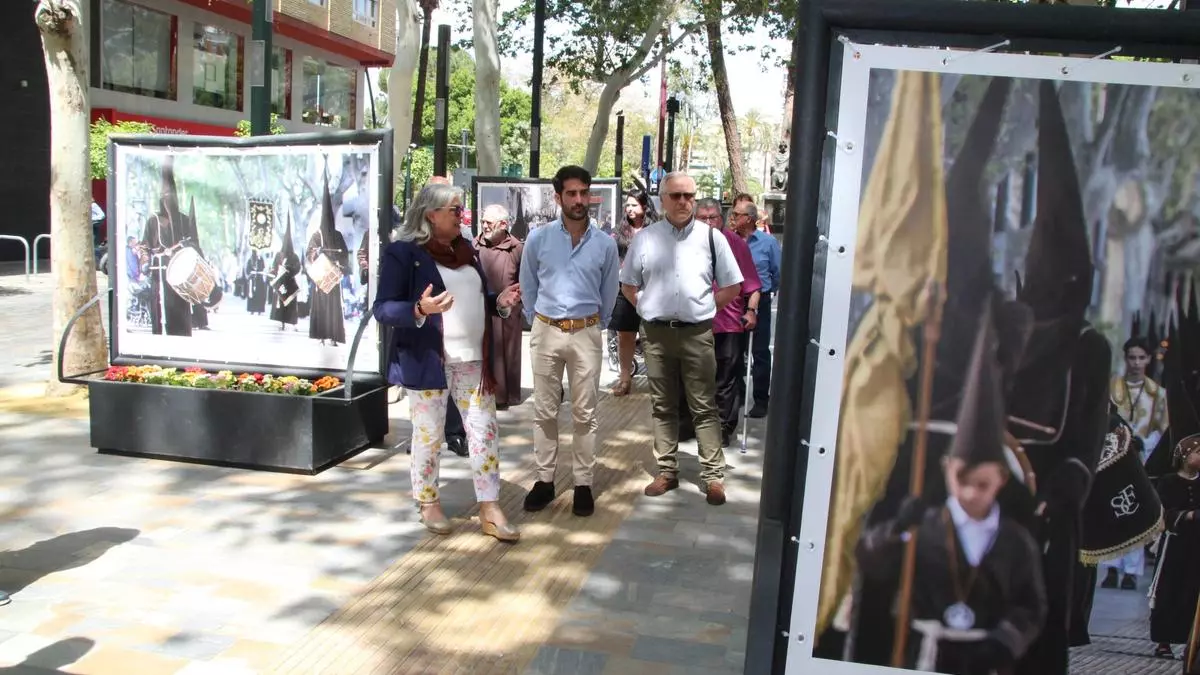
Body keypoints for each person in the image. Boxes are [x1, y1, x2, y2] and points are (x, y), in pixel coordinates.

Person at [855, 313, 1047, 674]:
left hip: (986, 661)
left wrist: (1005, 641)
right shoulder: (922, 528)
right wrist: (896, 529)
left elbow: (1031, 605)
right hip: (924, 657)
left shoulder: (1016, 541)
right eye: (963, 480)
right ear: (946, 470)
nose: (972, 493)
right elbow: (872, 562)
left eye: (984, 484)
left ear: (1002, 478)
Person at [372, 183, 522, 541]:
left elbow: (475, 297)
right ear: (431, 215)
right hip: (428, 361)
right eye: (455, 210)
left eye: (462, 210)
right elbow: (382, 308)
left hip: (472, 360)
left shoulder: (465, 250)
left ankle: (489, 506)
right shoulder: (404, 254)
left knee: (484, 431)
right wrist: (419, 308)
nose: (462, 216)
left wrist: (499, 301)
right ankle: (428, 502)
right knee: (430, 435)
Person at [619, 171, 743, 506]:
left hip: (697, 334)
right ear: (662, 199)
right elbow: (628, 284)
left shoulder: (711, 238)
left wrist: (706, 308)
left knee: (704, 405)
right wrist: (645, 307)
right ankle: (667, 470)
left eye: (689, 195)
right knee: (662, 405)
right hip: (657, 336)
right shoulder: (645, 239)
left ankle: (713, 476)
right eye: (676, 196)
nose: (684, 202)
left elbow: (733, 286)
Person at [519, 165, 620, 518]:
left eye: (584, 193)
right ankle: (545, 480)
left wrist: (596, 325)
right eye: (572, 193)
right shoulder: (538, 239)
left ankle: (582, 484)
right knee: (544, 410)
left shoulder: (605, 244)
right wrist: (537, 321)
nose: (579, 200)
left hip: (587, 332)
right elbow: (528, 285)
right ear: (558, 196)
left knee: (585, 413)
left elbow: (610, 292)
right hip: (546, 330)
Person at [1102, 336, 1170, 589]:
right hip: (1112, 456)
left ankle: (1131, 570)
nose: (1137, 363)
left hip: (1142, 459)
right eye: (1132, 357)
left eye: (1142, 357)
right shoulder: (1111, 388)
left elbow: (1163, 432)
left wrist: (1145, 442)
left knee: (1136, 511)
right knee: (1111, 509)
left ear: (1149, 360)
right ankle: (1110, 566)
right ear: (1125, 358)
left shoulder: (1158, 394)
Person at [696, 198, 761, 447]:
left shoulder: (735, 244)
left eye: (713, 217)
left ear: (722, 219)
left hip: (729, 323)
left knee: (725, 379)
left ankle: (723, 428)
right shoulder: (687, 242)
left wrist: (752, 311)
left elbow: (753, 285)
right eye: (703, 218)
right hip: (696, 322)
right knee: (698, 378)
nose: (709, 222)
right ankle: (697, 424)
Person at [731, 196, 782, 419]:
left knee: (759, 352)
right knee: (734, 350)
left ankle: (761, 399)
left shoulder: (768, 243)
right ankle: (738, 393)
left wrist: (768, 291)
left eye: (737, 215)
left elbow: (778, 272)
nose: (732, 218)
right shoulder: (730, 240)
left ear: (750, 219)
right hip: (734, 300)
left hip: (759, 300)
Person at [475, 204, 525, 409]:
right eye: (483, 222)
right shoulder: (474, 246)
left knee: (508, 353)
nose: (485, 226)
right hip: (480, 311)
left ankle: (507, 395)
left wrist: (514, 299)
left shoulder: (517, 248)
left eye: (489, 222)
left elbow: (526, 279)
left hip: (508, 313)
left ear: (503, 224)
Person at [608, 191, 653, 396]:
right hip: (624, 290)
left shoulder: (656, 230)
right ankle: (625, 379)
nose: (630, 209)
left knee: (653, 336)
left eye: (635, 205)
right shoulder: (618, 232)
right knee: (624, 336)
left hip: (651, 290)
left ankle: (657, 382)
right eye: (627, 205)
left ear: (645, 207)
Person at [307, 180, 350, 346]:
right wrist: (316, 254)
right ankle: (321, 336)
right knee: (321, 307)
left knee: (334, 308)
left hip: (333, 276)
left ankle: (333, 336)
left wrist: (339, 264)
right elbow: (309, 252)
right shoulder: (316, 235)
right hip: (321, 276)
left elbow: (344, 254)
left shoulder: (338, 235)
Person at [270, 214, 302, 330]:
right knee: (281, 305)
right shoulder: (278, 255)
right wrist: (275, 273)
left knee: (291, 305)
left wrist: (289, 270)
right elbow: (274, 267)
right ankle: (281, 323)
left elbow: (298, 267)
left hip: (290, 283)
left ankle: (292, 322)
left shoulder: (294, 256)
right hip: (280, 283)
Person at [244, 250, 268, 315]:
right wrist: (252, 272)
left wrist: (259, 270)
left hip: (259, 279)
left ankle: (259, 310)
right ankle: (252, 309)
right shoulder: (250, 260)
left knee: (260, 295)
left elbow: (263, 268)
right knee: (252, 295)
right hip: (252, 279)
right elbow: (247, 270)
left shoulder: (261, 259)